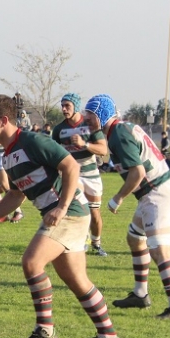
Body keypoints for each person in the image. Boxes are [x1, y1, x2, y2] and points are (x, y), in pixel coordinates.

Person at [0, 94, 120, 338]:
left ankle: (45, 331)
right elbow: (16, 194)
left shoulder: (31, 141)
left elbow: (71, 166)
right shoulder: (8, 153)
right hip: (63, 213)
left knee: (31, 262)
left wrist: (62, 207)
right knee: (77, 280)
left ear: (3, 120)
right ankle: (108, 334)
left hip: (69, 213)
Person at [85, 94, 170, 319]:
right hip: (151, 192)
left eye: (90, 114)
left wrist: (119, 197)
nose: (86, 118)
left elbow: (138, 172)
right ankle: (141, 294)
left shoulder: (118, 133)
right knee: (134, 238)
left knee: (160, 251)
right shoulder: (119, 130)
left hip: (157, 193)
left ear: (102, 114)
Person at [52, 93, 108, 257]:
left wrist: (84, 144)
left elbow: (103, 150)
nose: (64, 109)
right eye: (62, 106)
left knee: (95, 213)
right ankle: (78, 242)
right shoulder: (59, 129)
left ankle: (96, 244)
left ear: (75, 106)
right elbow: (53, 151)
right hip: (71, 175)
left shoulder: (89, 124)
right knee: (76, 211)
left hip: (91, 174)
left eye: (67, 105)